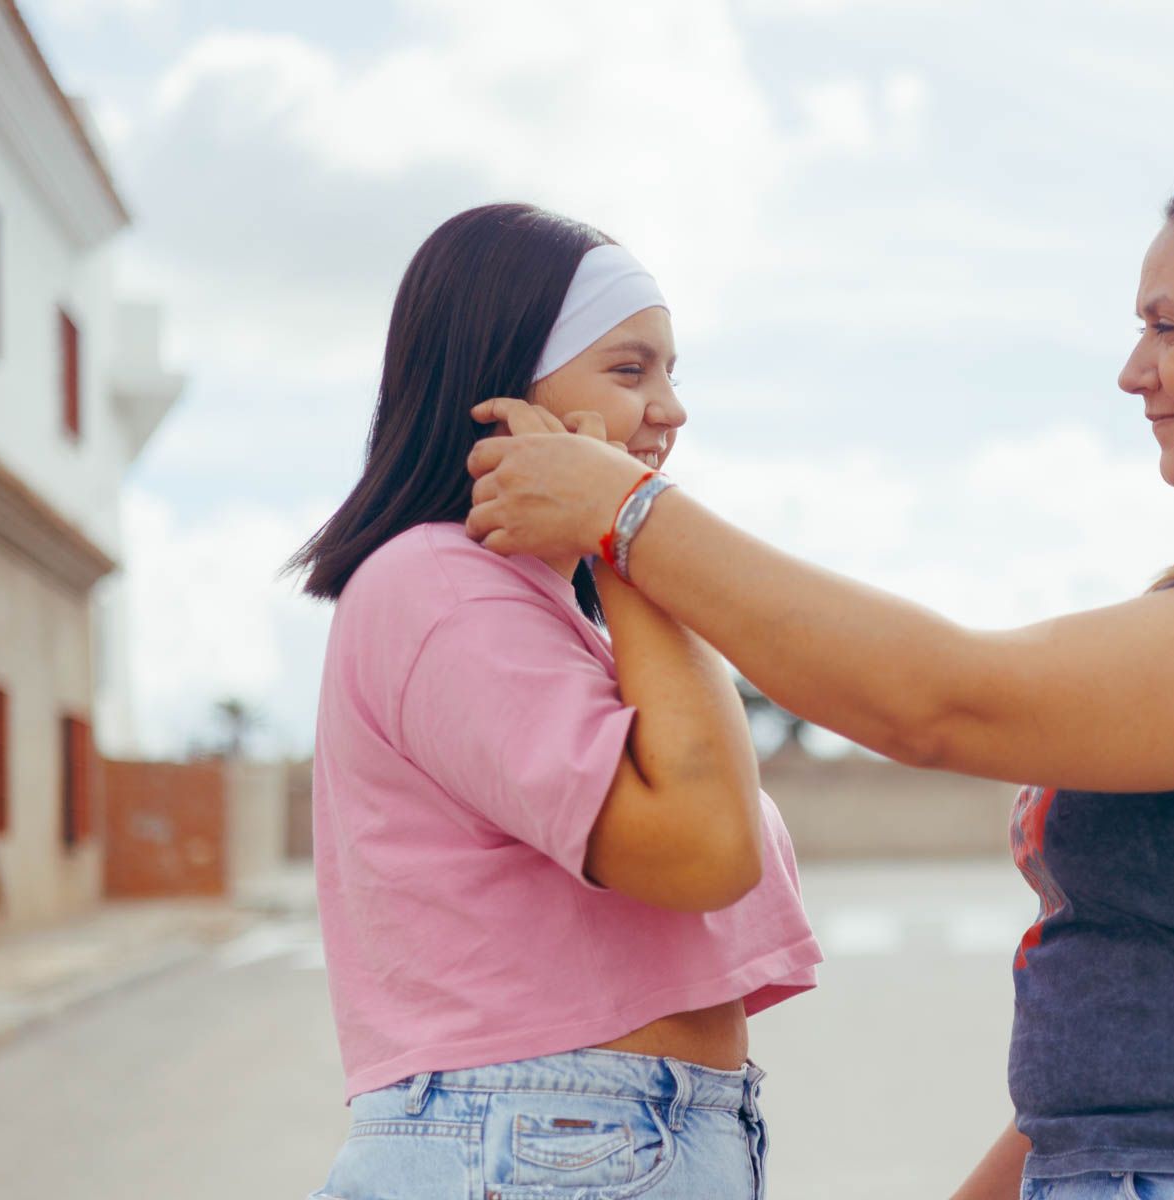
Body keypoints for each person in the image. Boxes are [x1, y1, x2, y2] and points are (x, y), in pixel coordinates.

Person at [461, 151, 1174, 1199]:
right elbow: (1138, 1050)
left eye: (1167, 326)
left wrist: (626, 514)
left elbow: (943, 701)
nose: (1135, 371)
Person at [290, 204, 820, 1200]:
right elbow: (705, 846)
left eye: (672, 372)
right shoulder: (440, 588)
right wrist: (621, 534)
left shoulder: (538, 613)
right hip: (553, 1138)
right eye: (629, 370)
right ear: (503, 388)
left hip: (578, 1138)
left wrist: (614, 535)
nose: (670, 408)